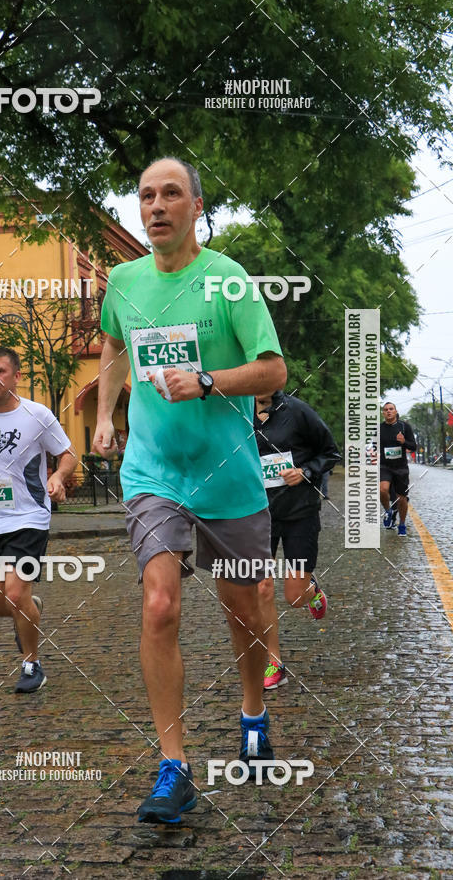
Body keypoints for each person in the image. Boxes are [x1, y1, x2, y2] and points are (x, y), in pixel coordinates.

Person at [92, 157, 286, 824]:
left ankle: (253, 709)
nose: (156, 206)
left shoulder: (228, 281)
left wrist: (207, 381)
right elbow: (112, 350)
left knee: (246, 608)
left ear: (196, 206)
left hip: (228, 476)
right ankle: (174, 767)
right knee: (159, 605)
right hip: (153, 473)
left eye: (171, 194)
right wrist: (101, 419)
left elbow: (273, 370)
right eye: (146, 196)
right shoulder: (122, 281)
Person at [0, 346, 77, 692]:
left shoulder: (37, 416)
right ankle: (28, 611)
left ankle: (32, 664)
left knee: (16, 591)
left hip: (28, 517)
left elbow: (68, 454)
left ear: (16, 377)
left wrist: (57, 477)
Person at [254, 391, 340, 690]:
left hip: (299, 511)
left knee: (294, 596)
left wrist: (305, 472)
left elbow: (330, 452)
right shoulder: (236, 413)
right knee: (261, 586)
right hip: (256, 513)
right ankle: (273, 661)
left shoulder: (298, 411)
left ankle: (311, 590)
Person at [380, 402, 416, 536]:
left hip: (401, 467)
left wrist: (403, 442)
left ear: (395, 411)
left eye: (391, 409)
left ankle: (401, 524)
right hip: (385, 466)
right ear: (383, 413)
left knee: (402, 498)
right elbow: (372, 446)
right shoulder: (379, 429)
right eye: (386, 410)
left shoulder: (404, 427)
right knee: (382, 489)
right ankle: (388, 511)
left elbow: (413, 447)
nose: (388, 411)